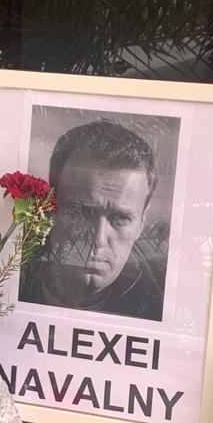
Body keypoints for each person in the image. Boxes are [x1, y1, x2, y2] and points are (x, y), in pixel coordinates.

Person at [18, 118, 167, 321]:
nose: (98, 239)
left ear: (141, 223)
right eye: (82, 212)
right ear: (50, 207)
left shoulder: (161, 307)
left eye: (120, 219)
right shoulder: (7, 281)